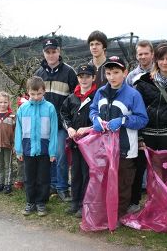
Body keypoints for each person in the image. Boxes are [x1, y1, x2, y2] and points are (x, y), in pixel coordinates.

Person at [132, 42, 167, 212]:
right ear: (155, 60)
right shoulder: (143, 81)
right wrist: (139, 136)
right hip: (147, 133)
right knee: (139, 168)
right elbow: (138, 111)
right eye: (161, 59)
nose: (165, 62)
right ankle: (134, 203)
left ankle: (164, 204)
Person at [89, 56, 148, 218]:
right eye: (108, 73)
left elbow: (142, 119)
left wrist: (123, 120)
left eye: (116, 72)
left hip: (125, 149)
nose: (112, 77)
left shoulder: (133, 95)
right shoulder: (100, 93)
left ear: (125, 73)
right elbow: (93, 109)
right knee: (106, 180)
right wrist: (95, 119)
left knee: (123, 182)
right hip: (103, 147)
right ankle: (106, 211)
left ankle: (119, 215)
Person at [35, 37, 78, 202]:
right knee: (47, 155)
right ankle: (51, 184)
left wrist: (72, 121)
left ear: (59, 52)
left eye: (54, 51)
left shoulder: (69, 72)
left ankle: (62, 187)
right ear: (44, 53)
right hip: (44, 123)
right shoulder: (39, 74)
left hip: (61, 123)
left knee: (60, 155)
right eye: (48, 52)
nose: (51, 55)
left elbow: (75, 98)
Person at [15, 76, 58, 217]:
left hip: (44, 150)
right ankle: (30, 202)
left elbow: (53, 132)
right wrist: (19, 149)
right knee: (29, 178)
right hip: (27, 150)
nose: (36, 97)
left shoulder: (50, 108)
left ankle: (41, 202)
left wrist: (52, 152)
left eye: (39, 93)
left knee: (43, 178)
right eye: (33, 94)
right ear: (28, 92)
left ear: (44, 91)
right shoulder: (23, 109)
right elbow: (18, 130)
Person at [60, 64, 97, 218]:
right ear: (77, 78)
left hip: (91, 144)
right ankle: (75, 201)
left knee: (87, 173)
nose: (84, 79)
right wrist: (69, 128)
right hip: (75, 143)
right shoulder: (71, 97)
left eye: (87, 76)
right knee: (75, 173)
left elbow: (101, 119)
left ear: (93, 78)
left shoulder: (97, 97)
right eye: (81, 76)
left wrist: (88, 128)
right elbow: (64, 114)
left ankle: (84, 203)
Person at [125, 40, 155, 213]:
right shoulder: (131, 76)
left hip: (157, 125)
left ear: (152, 54)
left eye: (146, 53)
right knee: (139, 164)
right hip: (138, 126)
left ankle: (156, 200)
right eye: (140, 54)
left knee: (157, 166)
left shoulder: (159, 73)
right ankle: (135, 200)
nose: (143, 56)